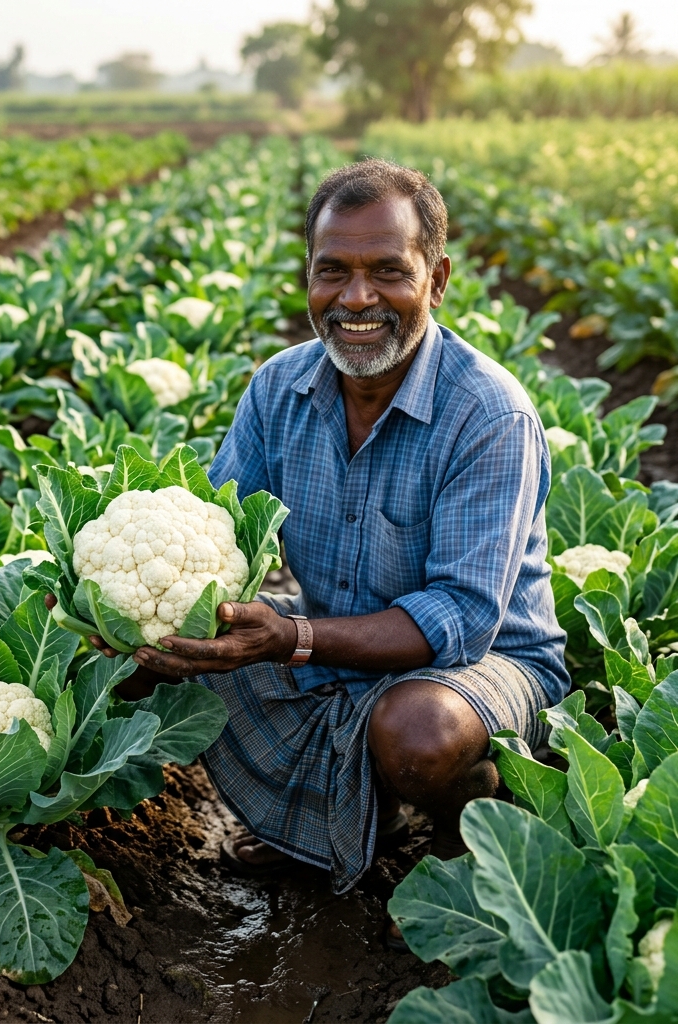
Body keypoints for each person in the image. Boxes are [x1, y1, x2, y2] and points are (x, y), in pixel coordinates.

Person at [75, 158, 568, 947]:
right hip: (338, 637)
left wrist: (293, 636)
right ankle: (323, 830)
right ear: (307, 277)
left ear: (436, 280)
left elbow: (464, 619)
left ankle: (474, 830)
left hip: (486, 665)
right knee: (143, 652)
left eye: (388, 273)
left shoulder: (490, 415)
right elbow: (220, 531)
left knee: (418, 735)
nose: (356, 298)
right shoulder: (277, 390)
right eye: (331, 271)